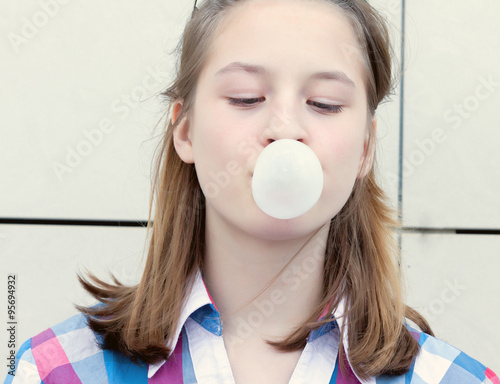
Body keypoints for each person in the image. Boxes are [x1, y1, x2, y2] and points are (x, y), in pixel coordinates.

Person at [4, 0, 498, 383]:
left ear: (365, 147)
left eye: (324, 104)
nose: (285, 128)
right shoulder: (55, 371)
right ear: (186, 131)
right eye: (246, 98)